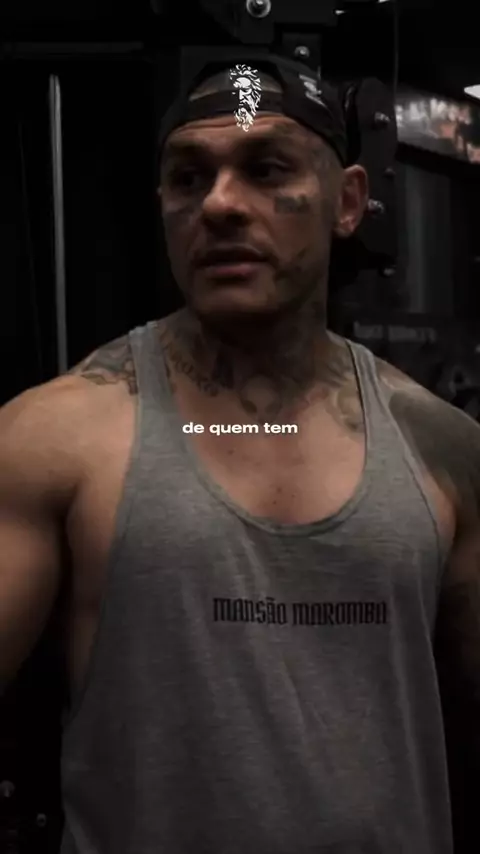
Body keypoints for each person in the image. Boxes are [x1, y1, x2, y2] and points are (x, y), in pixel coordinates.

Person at [0, 52, 478, 854]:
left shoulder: (445, 450)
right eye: (189, 178)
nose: (219, 204)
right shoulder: (52, 437)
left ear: (348, 202)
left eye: (266, 169)